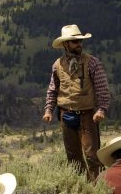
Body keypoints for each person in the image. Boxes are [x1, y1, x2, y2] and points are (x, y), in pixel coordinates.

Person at [42, 24, 111, 182]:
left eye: (80, 41)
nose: (79, 44)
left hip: (87, 115)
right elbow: (52, 90)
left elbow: (102, 90)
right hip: (66, 116)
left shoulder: (92, 63)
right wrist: (48, 110)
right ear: (65, 44)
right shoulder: (57, 65)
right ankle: (81, 188)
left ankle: (97, 188)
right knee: (72, 157)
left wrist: (101, 110)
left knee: (92, 155)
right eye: (74, 42)